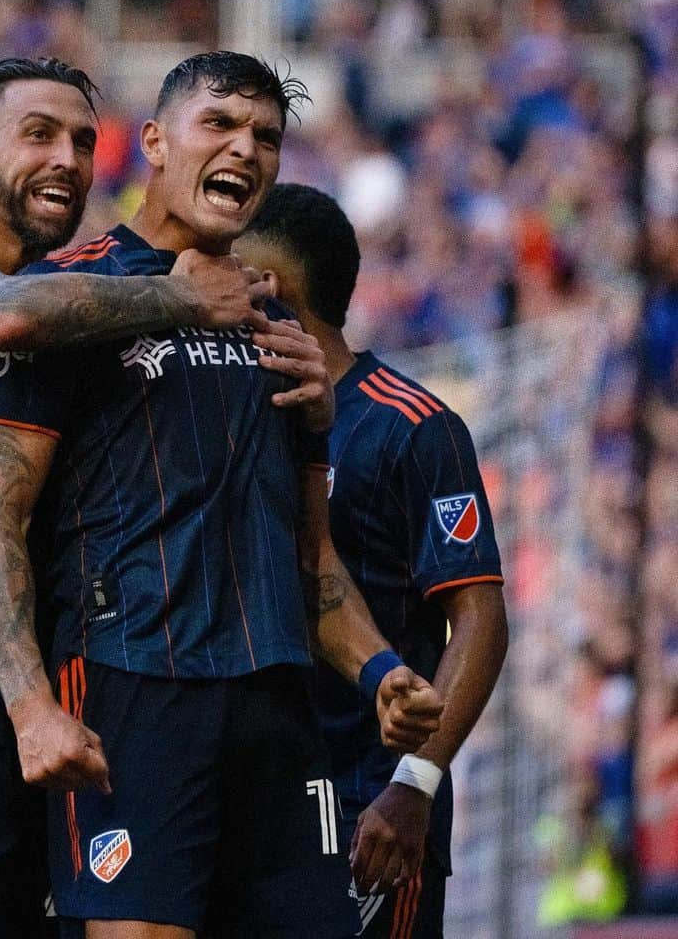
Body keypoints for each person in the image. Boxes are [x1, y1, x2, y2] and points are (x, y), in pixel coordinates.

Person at [0, 52, 444, 939]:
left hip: (274, 706)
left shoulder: (280, 327)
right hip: (131, 689)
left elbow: (310, 558)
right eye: (218, 124)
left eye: (266, 136)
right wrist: (32, 708)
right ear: (152, 141)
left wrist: (381, 670)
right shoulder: (71, 296)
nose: (247, 150)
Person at [0, 56, 272, 938]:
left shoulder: (96, 306)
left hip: (56, 697)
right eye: (38, 134)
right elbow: (5, 316)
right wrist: (179, 300)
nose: (68, 159)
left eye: (80, 141)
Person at [237, 183, 508, 938]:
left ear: (272, 289)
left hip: (370, 807)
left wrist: (414, 785)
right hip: (259, 802)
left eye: (232, 269)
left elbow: (481, 617)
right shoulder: (236, 415)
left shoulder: (413, 427)